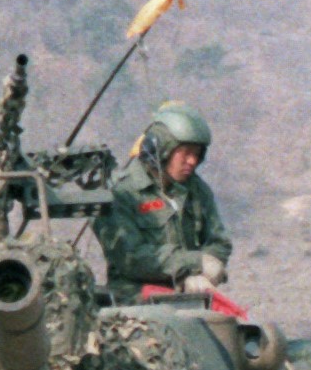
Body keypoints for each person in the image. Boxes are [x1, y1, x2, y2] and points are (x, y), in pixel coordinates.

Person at [92, 102, 232, 305]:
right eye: (186, 152)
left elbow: (218, 241)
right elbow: (131, 257)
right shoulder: (123, 194)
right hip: (136, 301)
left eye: (197, 154)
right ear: (163, 149)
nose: (192, 161)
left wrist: (203, 273)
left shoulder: (196, 190)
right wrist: (193, 264)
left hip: (191, 296)